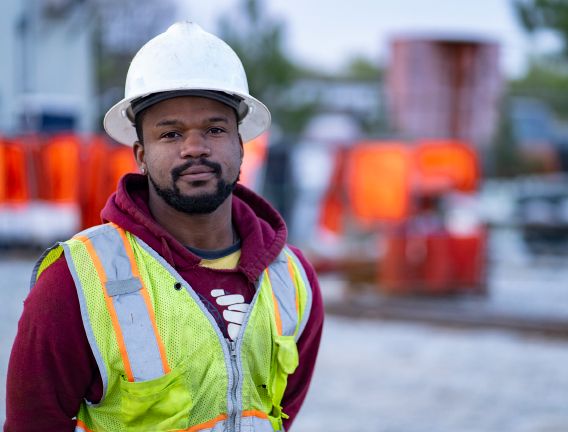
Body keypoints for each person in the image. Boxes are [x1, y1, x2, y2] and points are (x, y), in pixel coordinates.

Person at [5, 22, 323, 432]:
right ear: (140, 153)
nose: (195, 147)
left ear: (241, 144)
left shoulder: (292, 280)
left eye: (214, 129)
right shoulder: (77, 281)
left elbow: (281, 413)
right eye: (171, 133)